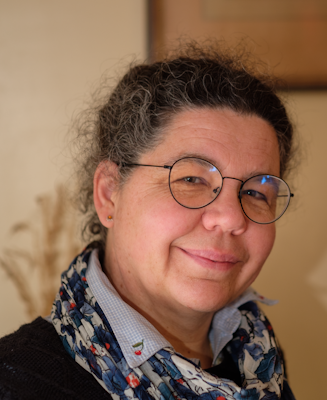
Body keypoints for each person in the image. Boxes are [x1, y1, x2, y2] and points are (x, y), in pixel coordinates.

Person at [0, 42, 297, 399]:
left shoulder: (257, 357)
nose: (231, 218)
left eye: (256, 193)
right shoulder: (17, 383)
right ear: (109, 194)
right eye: (192, 179)